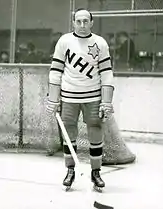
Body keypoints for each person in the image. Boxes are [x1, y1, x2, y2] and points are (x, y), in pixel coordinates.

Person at [46, 8, 114, 190]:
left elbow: (107, 73)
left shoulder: (100, 43)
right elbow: (56, 71)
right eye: (79, 21)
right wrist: (53, 99)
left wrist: (106, 101)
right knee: (69, 134)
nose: (82, 25)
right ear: (73, 22)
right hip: (68, 97)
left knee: (95, 131)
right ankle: (70, 170)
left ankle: (96, 172)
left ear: (91, 23)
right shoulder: (64, 41)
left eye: (86, 21)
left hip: (93, 96)